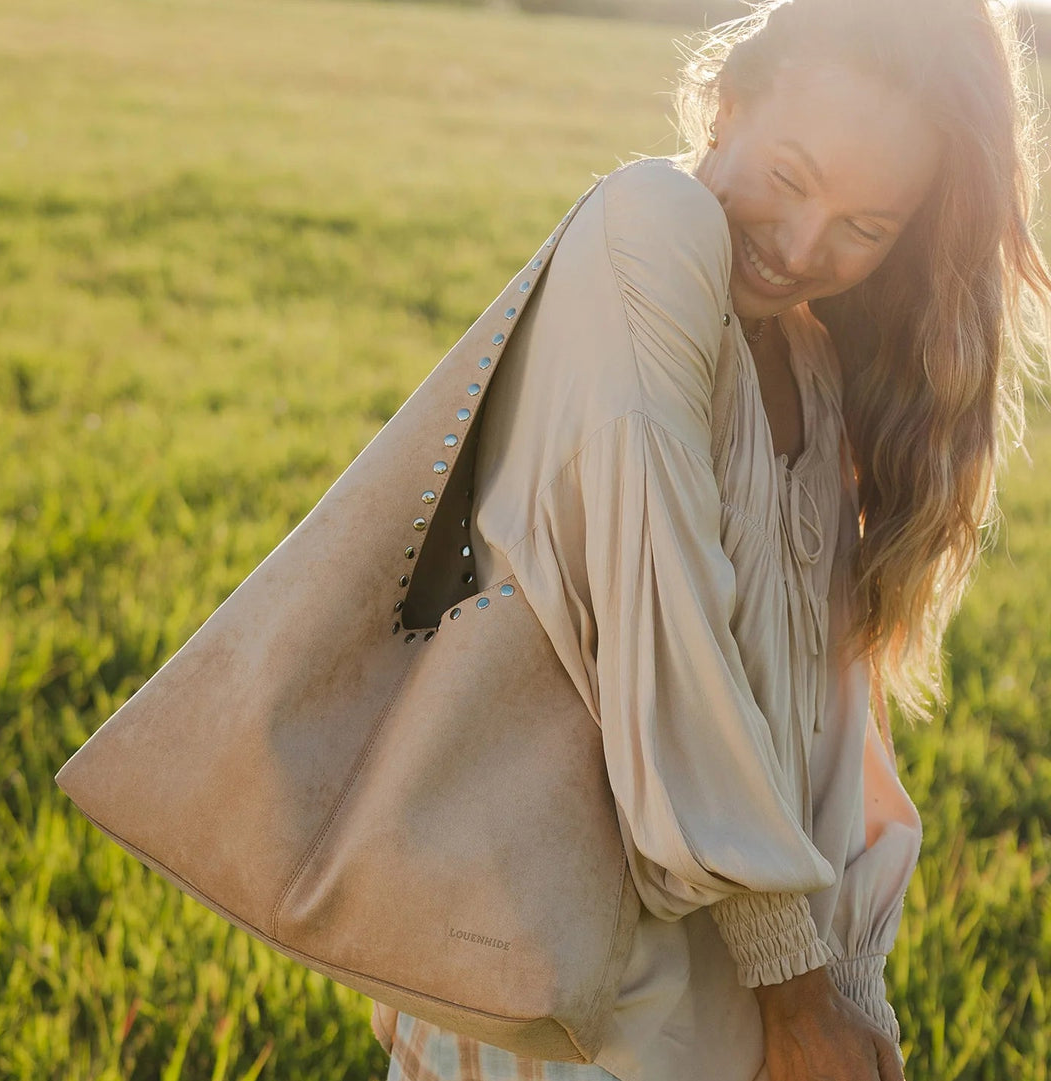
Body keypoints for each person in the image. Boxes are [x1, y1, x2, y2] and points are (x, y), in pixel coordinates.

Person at [371, 0, 1051, 1078]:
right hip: (575, 980)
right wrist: (795, 985)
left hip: (734, 990)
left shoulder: (814, 367)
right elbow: (664, 610)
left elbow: (834, 719)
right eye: (788, 178)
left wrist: (851, 978)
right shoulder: (646, 223)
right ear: (728, 106)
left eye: (865, 229)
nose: (801, 249)